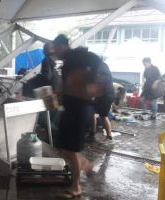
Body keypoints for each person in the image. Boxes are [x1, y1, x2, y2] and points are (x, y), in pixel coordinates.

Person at [53, 34, 100, 199]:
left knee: (71, 149)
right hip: (71, 107)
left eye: (55, 47)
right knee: (61, 145)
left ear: (63, 45)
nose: (54, 51)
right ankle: (84, 164)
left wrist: (90, 79)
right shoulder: (67, 62)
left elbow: (97, 60)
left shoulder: (75, 54)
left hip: (80, 108)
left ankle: (76, 187)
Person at [91, 62, 115, 141]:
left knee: (92, 114)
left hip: (102, 96)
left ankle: (92, 133)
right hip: (110, 95)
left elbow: (98, 89)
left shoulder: (99, 75)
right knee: (103, 116)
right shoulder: (108, 75)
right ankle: (109, 134)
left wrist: (93, 96)